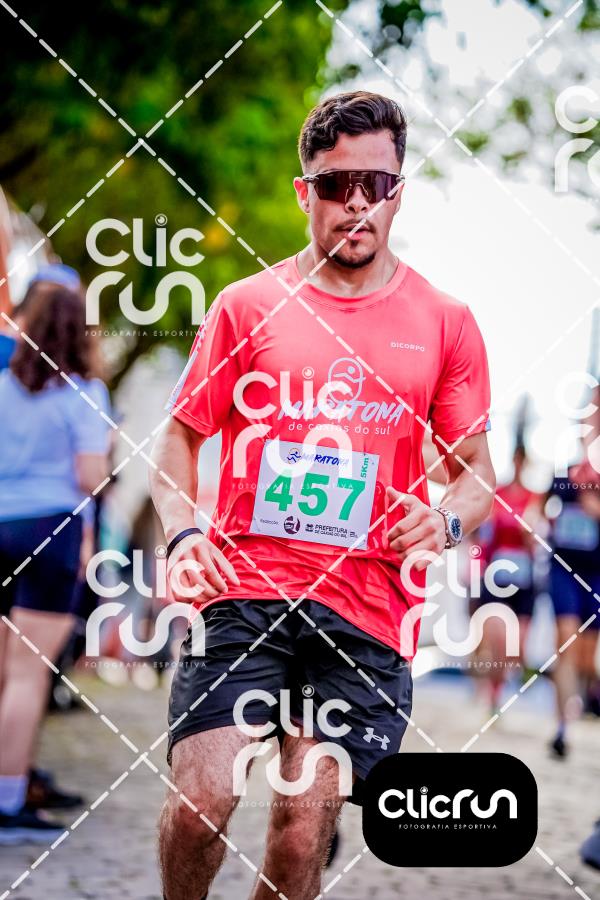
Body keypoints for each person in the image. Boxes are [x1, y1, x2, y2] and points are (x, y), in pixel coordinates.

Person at [150, 90, 495, 900]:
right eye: (338, 185)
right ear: (305, 192)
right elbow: (177, 439)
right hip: (244, 590)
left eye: (377, 184)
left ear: (399, 192)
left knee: (303, 831)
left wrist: (446, 521)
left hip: (368, 609)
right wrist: (183, 533)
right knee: (201, 803)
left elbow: (474, 473)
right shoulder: (247, 306)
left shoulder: (446, 321)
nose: (357, 204)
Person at [0, 285, 110, 843]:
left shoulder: (2, 387)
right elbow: (91, 477)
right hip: (50, 531)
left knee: (2, 671)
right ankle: (8, 802)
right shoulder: (84, 393)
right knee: (27, 674)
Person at [470, 444, 542, 713]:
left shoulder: (535, 497)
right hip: (496, 577)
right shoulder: (497, 495)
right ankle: (493, 694)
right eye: (516, 459)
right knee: (497, 641)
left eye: (524, 460)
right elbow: (480, 535)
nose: (519, 465)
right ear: (513, 460)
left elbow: (538, 538)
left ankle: (505, 679)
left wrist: (531, 535)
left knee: (518, 647)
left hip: (524, 580)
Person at [545, 449, 600, 758]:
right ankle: (561, 729)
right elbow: (540, 508)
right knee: (566, 641)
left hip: (596, 573)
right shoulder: (563, 475)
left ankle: (585, 699)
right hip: (563, 569)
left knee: (586, 659)